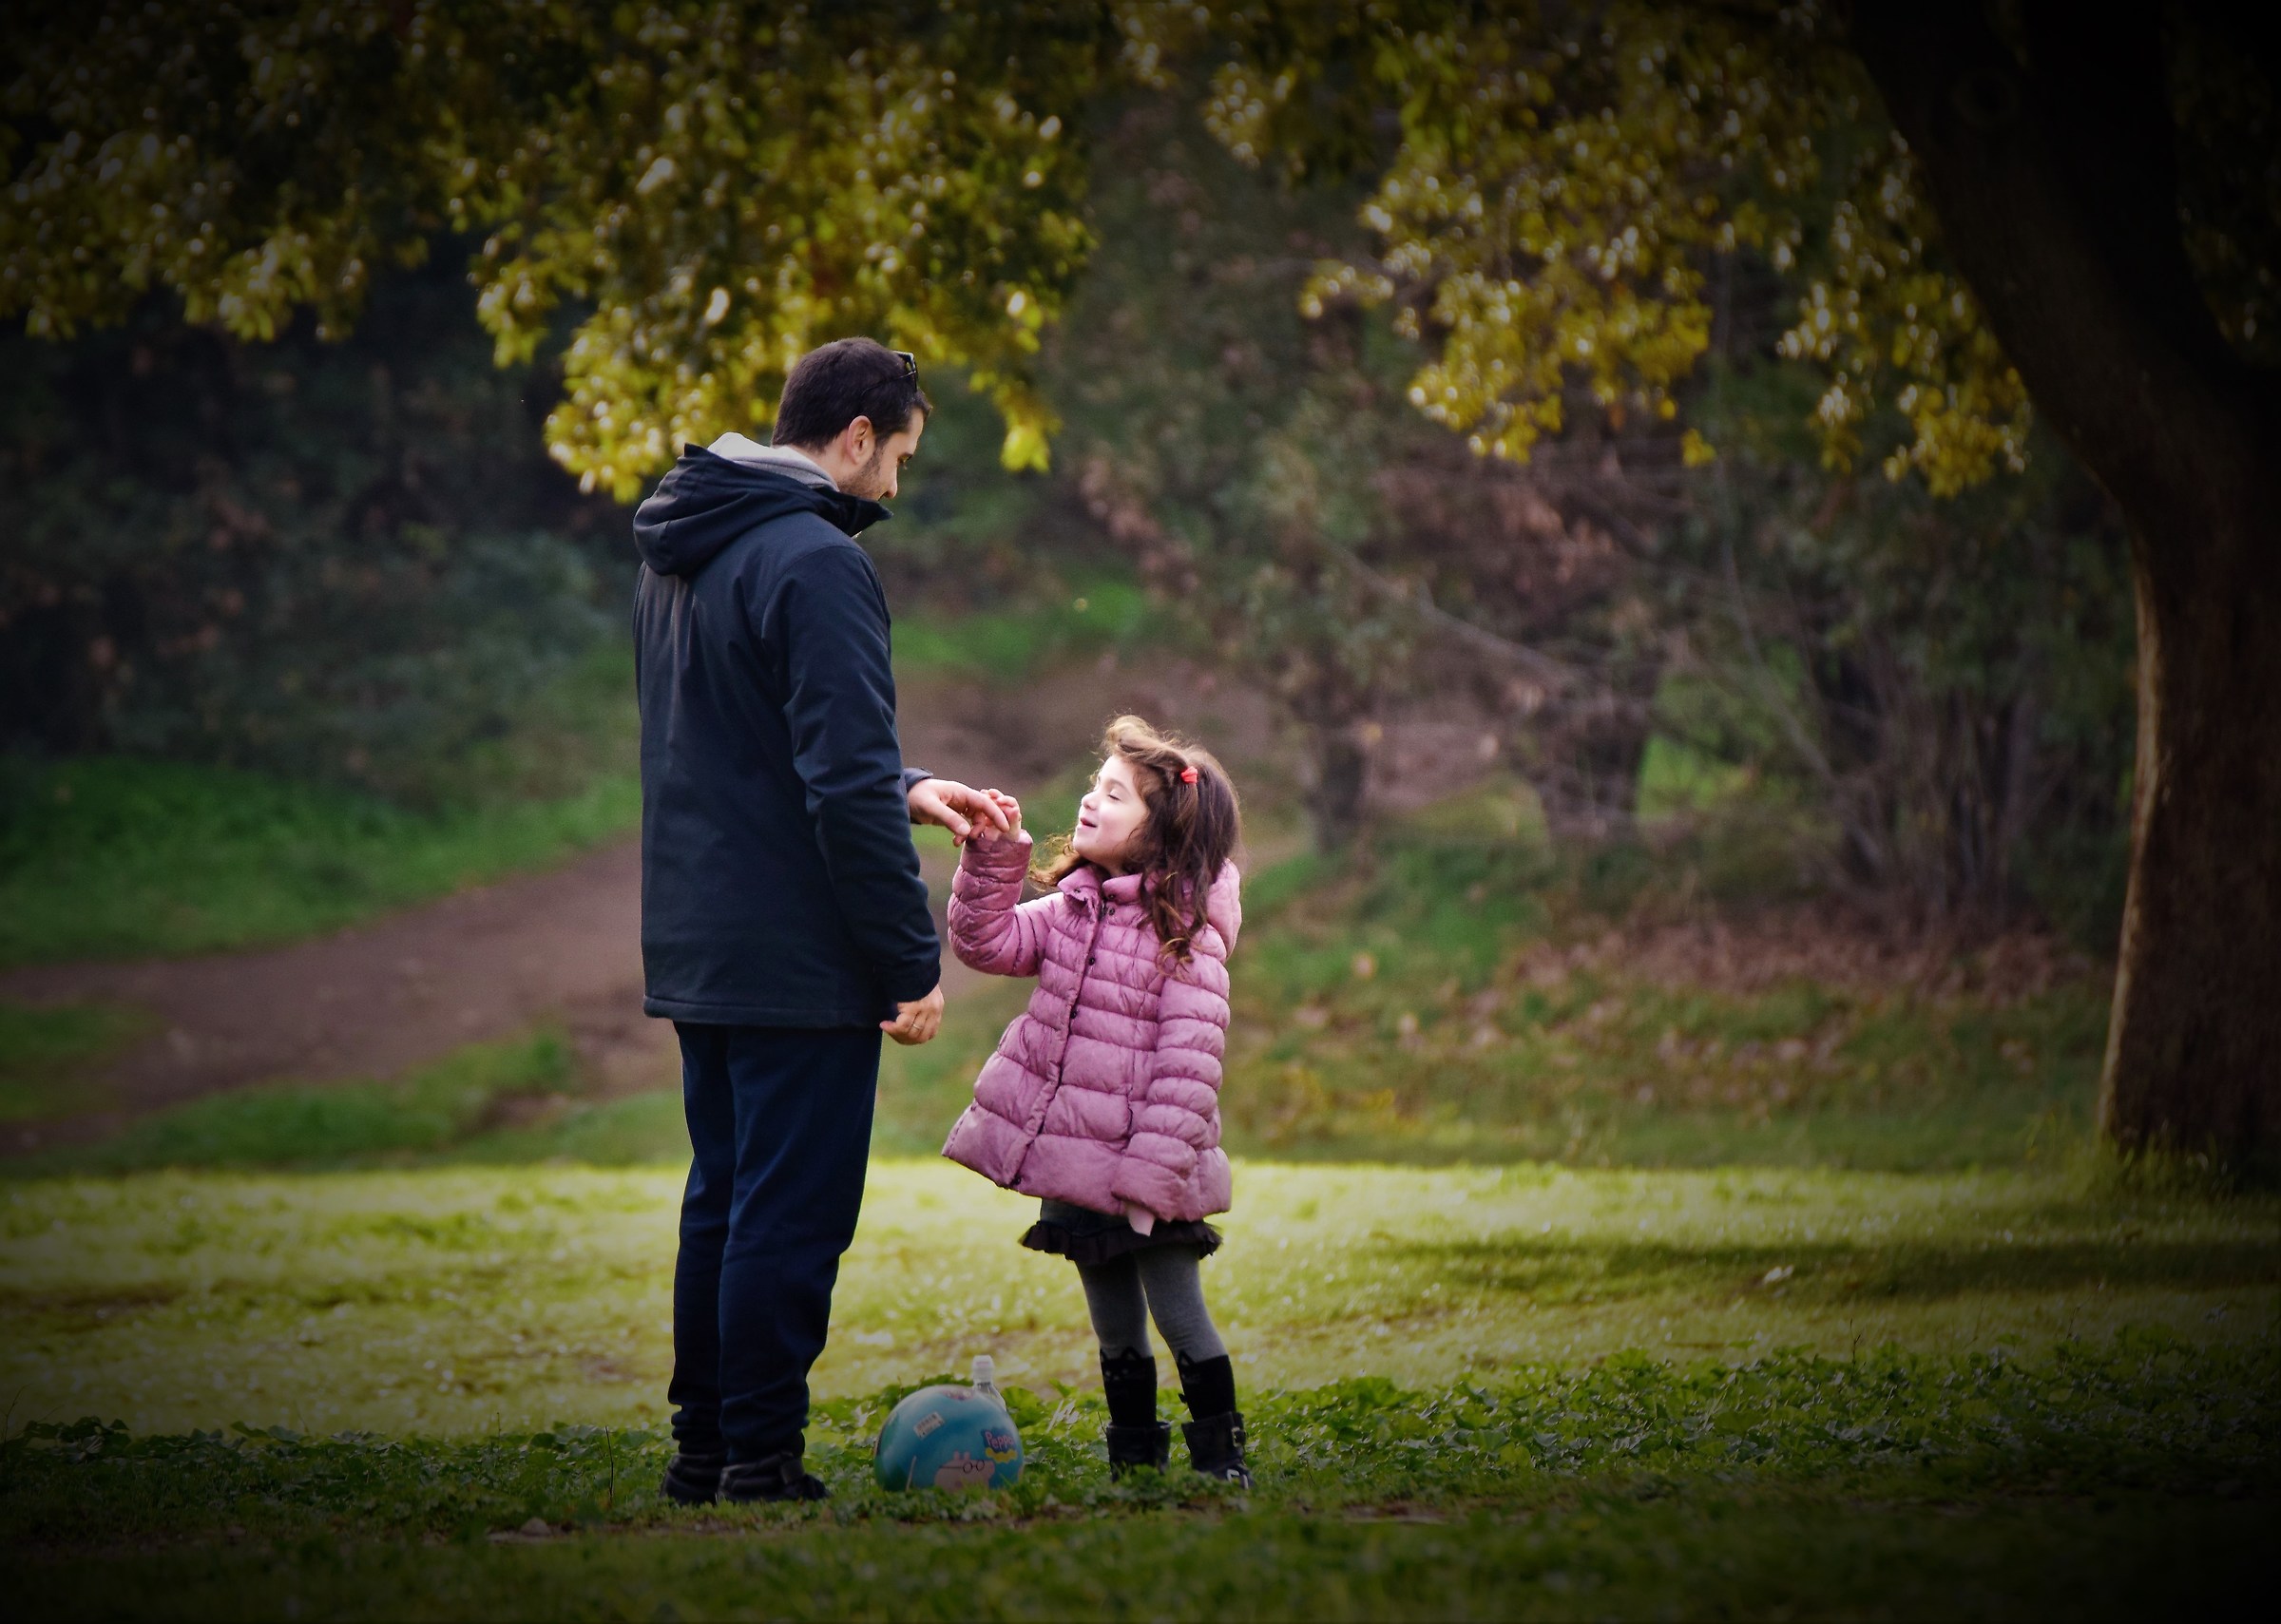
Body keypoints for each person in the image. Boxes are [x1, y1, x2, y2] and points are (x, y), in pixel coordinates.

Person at [630, 337, 1011, 1506]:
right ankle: (761, 1459)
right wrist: (907, 957)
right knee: (789, 1212)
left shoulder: (684, 548)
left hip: (701, 935)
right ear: (856, 436)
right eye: (898, 456)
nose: (894, 483)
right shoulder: (817, 560)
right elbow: (836, 785)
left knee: (725, 1197)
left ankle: (705, 1450)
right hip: (797, 951)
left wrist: (911, 784)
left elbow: (750, 741)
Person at [940, 716, 1252, 1486]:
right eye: (1095, 784)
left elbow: (1189, 1071)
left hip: (1153, 1174)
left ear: (1163, 832)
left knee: (1178, 1314)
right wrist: (993, 856)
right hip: (1081, 1167)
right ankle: (1135, 1461)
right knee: (1113, 1324)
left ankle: (1221, 1460)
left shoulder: (1186, 937)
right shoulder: (1074, 909)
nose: (1090, 799)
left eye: (1114, 794)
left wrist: (1148, 1182)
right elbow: (986, 943)